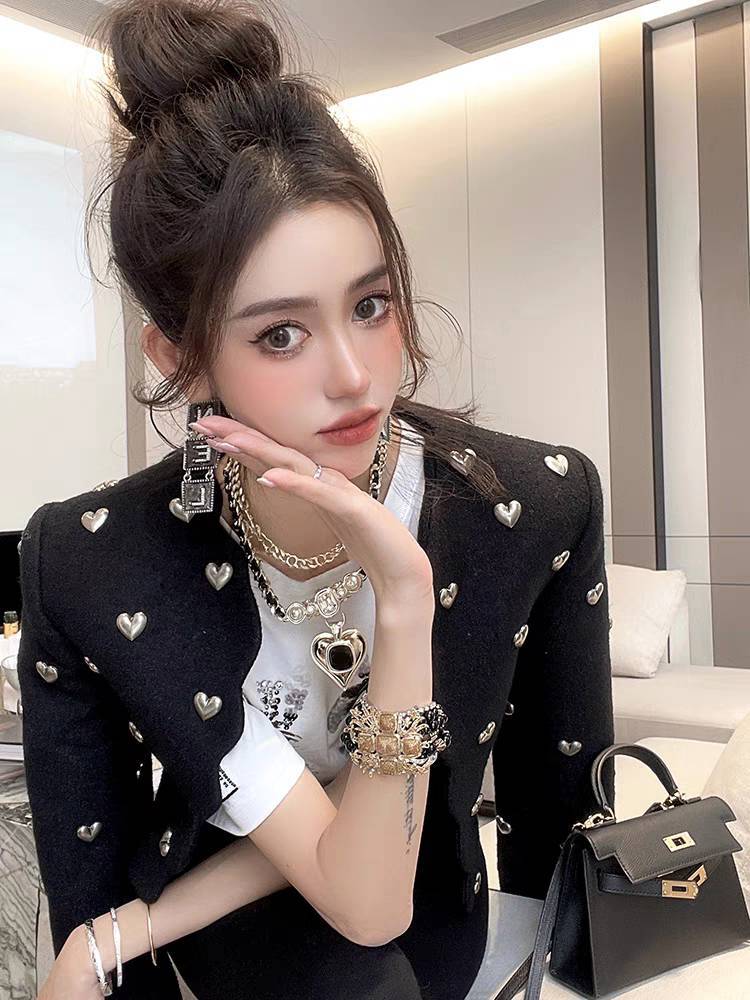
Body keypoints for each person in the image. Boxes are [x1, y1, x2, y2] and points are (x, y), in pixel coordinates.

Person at [17, 1, 615, 997]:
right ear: (179, 356)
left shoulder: (530, 505)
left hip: (433, 907)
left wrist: (405, 597)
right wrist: (127, 933)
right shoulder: (101, 559)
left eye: (370, 304)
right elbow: (94, 882)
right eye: (280, 335)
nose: (355, 376)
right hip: (232, 916)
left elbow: (555, 835)